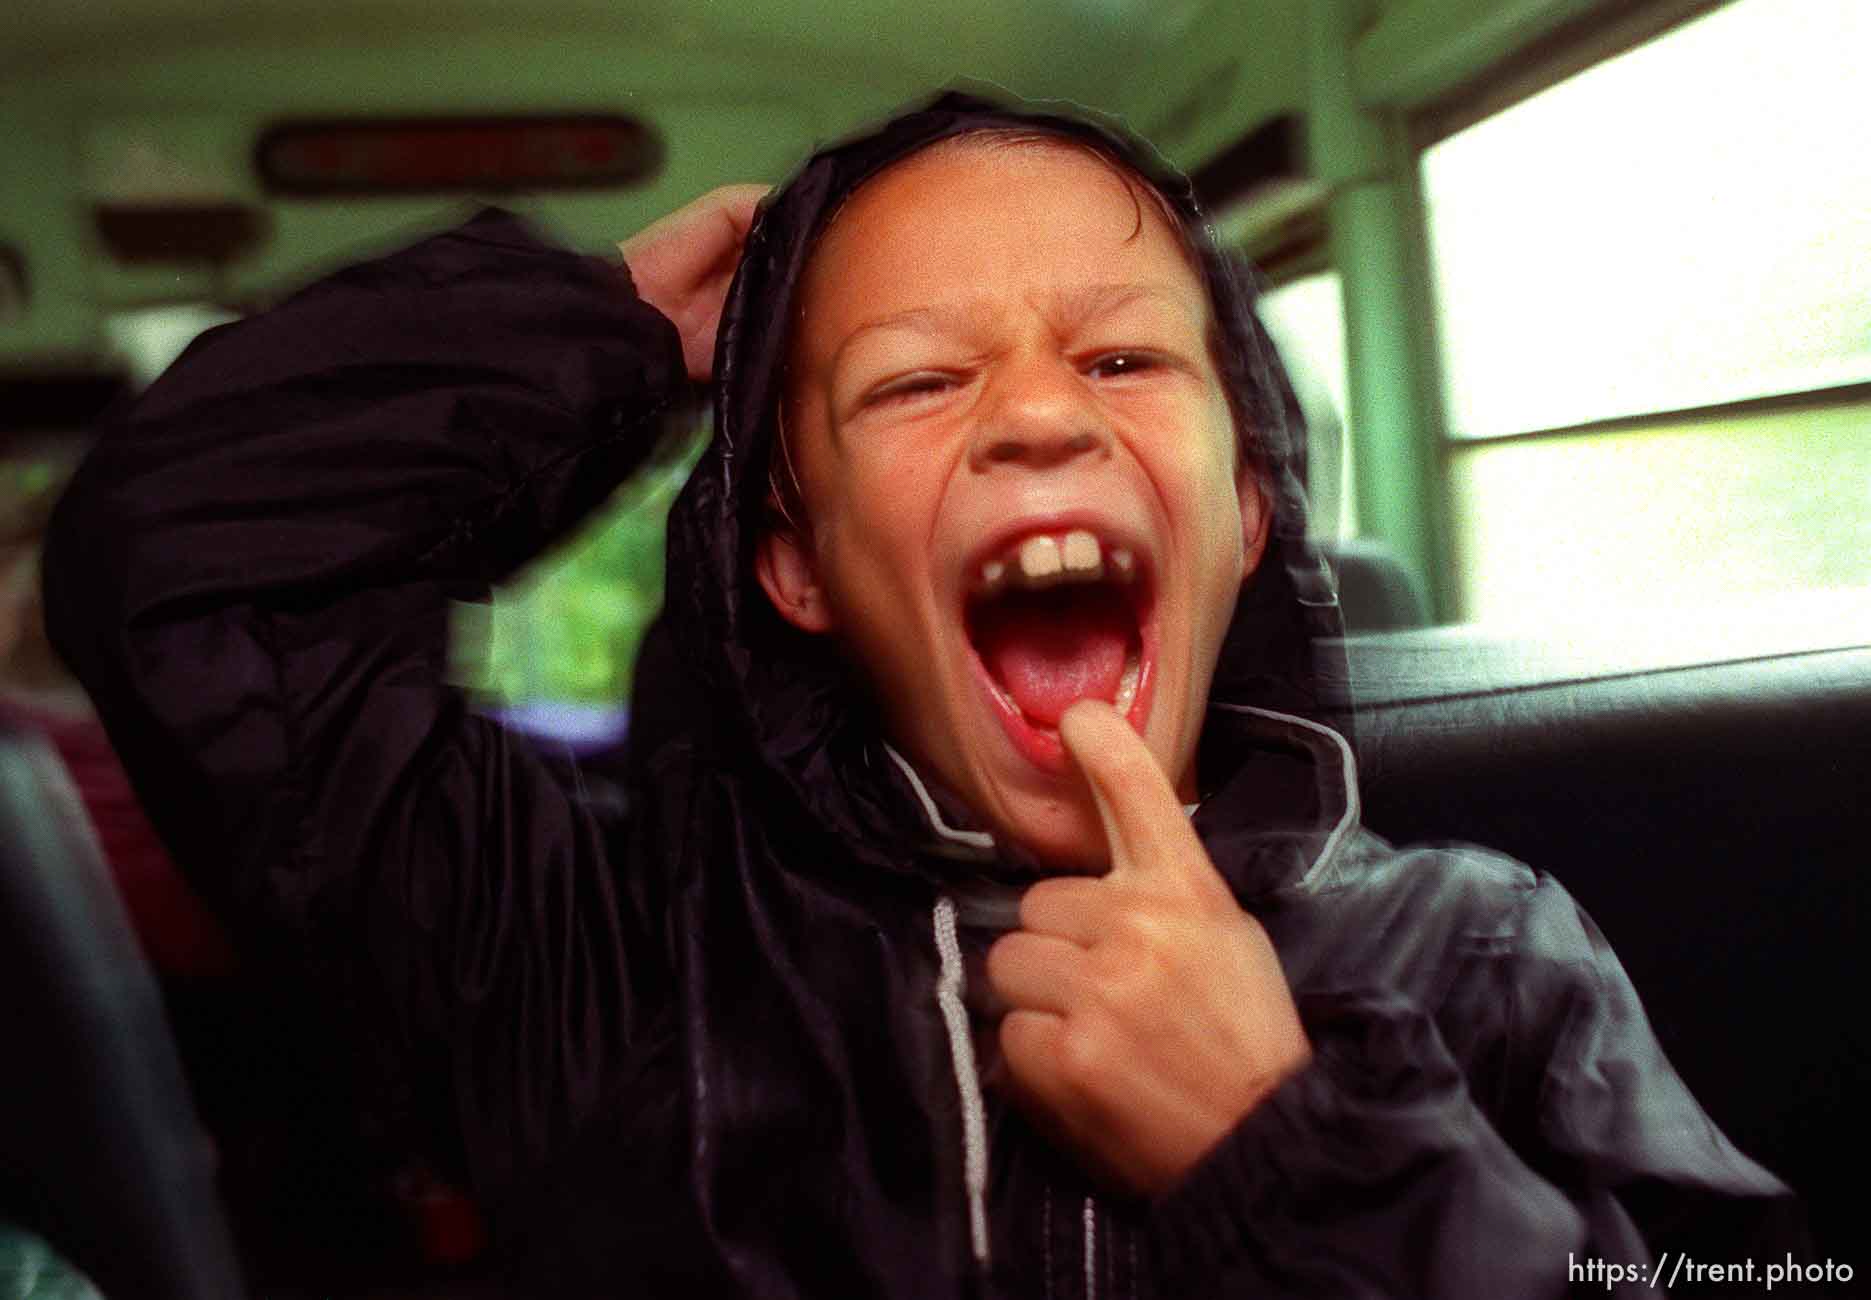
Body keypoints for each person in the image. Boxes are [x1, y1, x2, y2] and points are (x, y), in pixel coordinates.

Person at [43, 93, 1800, 1297]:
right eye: (918, 381)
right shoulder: (611, 985)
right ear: (793, 569)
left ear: (1249, 514)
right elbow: (190, 560)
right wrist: (616, 340)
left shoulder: (1483, 959)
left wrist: (1295, 1159)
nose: (1039, 417)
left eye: (1120, 356)